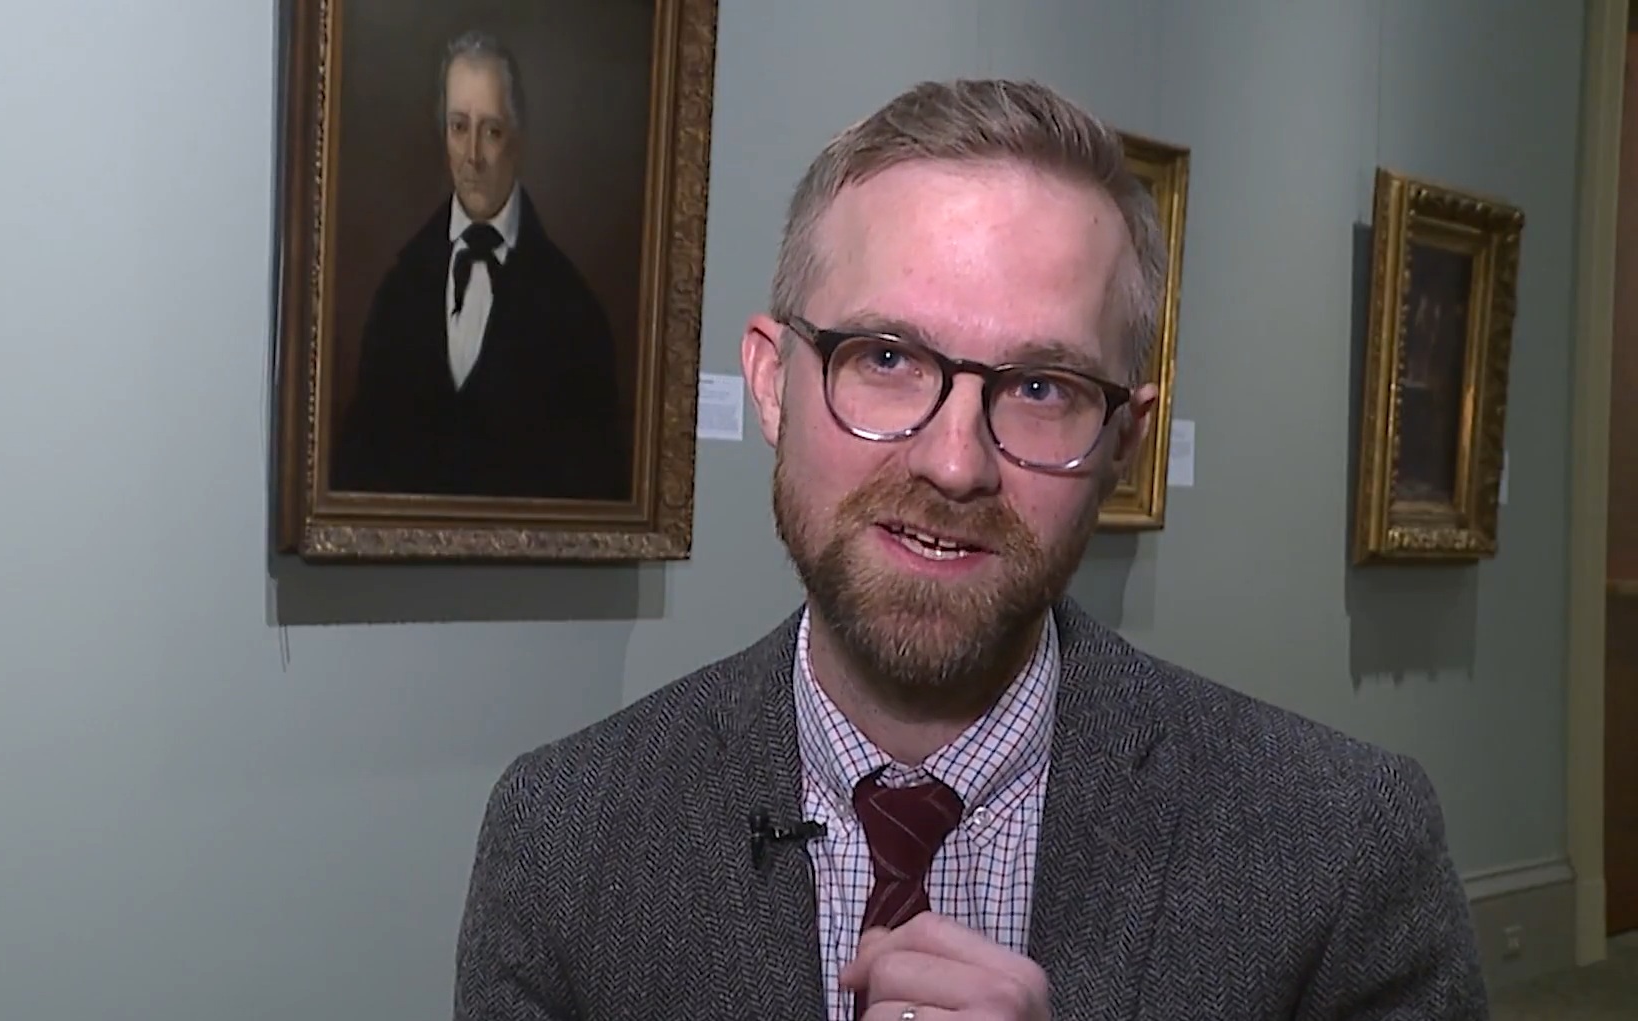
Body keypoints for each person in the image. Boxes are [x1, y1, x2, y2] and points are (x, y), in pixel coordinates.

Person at [453, 78, 1488, 1021]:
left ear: (1123, 441)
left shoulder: (1340, 849)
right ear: (772, 382)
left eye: (1042, 388)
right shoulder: (564, 836)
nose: (955, 465)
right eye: (888, 358)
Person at [330, 30, 630, 502]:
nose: (471, 156)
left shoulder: (573, 311)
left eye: (490, 130)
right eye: (457, 127)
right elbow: (358, 467)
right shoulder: (399, 291)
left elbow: (596, 487)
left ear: (518, 138)